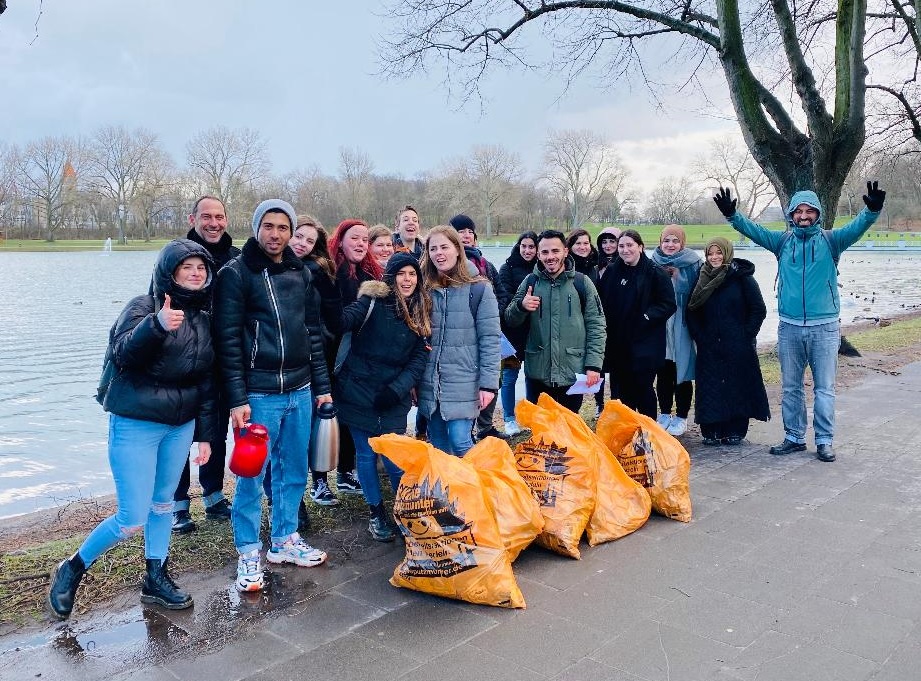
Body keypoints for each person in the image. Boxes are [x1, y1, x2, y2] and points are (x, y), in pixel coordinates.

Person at [48, 239, 218, 619]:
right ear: (169, 272)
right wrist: (155, 327)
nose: (195, 273)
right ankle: (72, 567)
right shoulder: (143, 307)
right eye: (186, 267)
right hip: (136, 425)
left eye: (201, 268)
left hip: (180, 427)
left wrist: (205, 433)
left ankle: (155, 579)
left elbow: (207, 381)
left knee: (163, 505)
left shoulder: (204, 320)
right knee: (131, 518)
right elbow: (122, 354)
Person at [715, 182, 886, 462]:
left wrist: (873, 210)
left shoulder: (832, 241)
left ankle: (824, 440)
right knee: (791, 387)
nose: (804, 216)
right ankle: (794, 437)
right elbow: (753, 231)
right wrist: (733, 216)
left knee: (824, 388)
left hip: (825, 328)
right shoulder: (782, 242)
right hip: (790, 328)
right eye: (798, 211)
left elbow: (858, 227)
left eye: (809, 211)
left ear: (817, 214)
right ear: (791, 215)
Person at [214, 199, 331, 593]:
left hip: (299, 389)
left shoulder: (301, 273)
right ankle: (248, 552)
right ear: (257, 228)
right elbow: (228, 340)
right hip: (258, 392)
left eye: (284, 227)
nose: (277, 234)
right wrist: (236, 398)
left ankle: (284, 539)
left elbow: (312, 333)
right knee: (251, 476)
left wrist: (322, 387)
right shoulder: (236, 273)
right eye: (269, 226)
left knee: (294, 469)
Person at [334, 252, 431, 541]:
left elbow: (419, 358)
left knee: (394, 458)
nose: (407, 279)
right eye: (401, 274)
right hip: (357, 390)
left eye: (412, 274)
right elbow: (342, 320)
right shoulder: (373, 302)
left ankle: (406, 510)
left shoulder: (422, 309)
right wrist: (330, 294)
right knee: (365, 454)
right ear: (391, 277)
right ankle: (376, 513)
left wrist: (397, 389)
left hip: (392, 395)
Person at [171, 196, 239, 535]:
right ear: (193, 217)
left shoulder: (236, 258)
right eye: (206, 217)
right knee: (181, 431)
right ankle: (178, 504)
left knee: (215, 431)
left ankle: (213, 495)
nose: (214, 223)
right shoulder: (178, 254)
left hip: (223, 358)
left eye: (220, 216)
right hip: (184, 360)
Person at [277, 216, 343, 511]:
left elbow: (331, 315)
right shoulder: (273, 269)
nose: (302, 244)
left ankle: (319, 481)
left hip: (316, 354)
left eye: (309, 241)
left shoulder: (319, 273)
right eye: (299, 236)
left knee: (316, 422)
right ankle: (292, 498)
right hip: (282, 361)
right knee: (288, 434)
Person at [418, 225, 500, 457]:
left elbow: (490, 339)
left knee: (461, 441)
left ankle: (477, 490)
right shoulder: (423, 288)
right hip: (431, 380)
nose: (439, 253)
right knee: (439, 445)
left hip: (465, 379)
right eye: (433, 248)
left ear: (457, 249)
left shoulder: (479, 288)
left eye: (444, 246)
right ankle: (446, 491)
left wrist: (488, 384)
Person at [505, 229, 607, 413]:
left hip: (572, 370)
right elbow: (510, 320)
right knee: (542, 431)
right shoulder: (530, 282)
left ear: (565, 251)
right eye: (545, 252)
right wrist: (521, 306)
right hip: (538, 371)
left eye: (555, 251)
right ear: (538, 254)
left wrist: (593, 365)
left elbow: (597, 325)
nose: (550, 257)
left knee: (569, 427)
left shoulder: (581, 283)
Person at [687, 237, 770, 445]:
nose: (714, 257)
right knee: (710, 386)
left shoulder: (742, 278)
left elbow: (758, 309)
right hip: (709, 344)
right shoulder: (701, 277)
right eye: (710, 254)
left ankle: (735, 430)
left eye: (718, 253)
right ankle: (711, 429)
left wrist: (746, 334)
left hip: (738, 344)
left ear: (726, 253)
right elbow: (692, 311)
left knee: (737, 385)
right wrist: (700, 337)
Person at [327, 219, 386, 496]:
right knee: (327, 418)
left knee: (351, 415)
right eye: (355, 238)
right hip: (330, 355)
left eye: (365, 239)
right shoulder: (331, 273)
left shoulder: (370, 275)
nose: (361, 244)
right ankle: (318, 479)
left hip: (357, 357)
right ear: (340, 241)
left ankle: (345, 472)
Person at [596, 229, 677, 419]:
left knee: (643, 390)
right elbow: (600, 298)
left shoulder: (654, 272)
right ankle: (625, 433)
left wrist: (647, 316)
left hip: (645, 344)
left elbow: (668, 304)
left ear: (640, 247)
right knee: (619, 393)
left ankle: (648, 432)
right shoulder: (613, 270)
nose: (625, 250)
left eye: (630, 245)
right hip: (618, 344)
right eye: (621, 246)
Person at [449, 214, 508, 440]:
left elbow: (501, 294)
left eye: (469, 232)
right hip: (462, 335)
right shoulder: (448, 265)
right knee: (468, 385)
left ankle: (485, 427)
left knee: (492, 380)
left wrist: (491, 313)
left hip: (489, 331)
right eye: (460, 231)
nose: (466, 236)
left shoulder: (487, 265)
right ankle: (468, 430)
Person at [650, 224, 702, 437]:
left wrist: (678, 279)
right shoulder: (652, 263)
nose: (670, 245)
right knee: (663, 371)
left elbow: (699, 293)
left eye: (675, 241)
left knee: (683, 372)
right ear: (660, 242)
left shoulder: (693, 263)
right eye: (666, 241)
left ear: (682, 243)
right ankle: (663, 414)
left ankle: (681, 416)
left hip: (683, 323)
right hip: (661, 325)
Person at [496, 231, 538, 435]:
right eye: (524, 246)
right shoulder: (507, 268)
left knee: (532, 376)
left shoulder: (541, 270)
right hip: (511, 333)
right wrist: (521, 303)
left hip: (533, 333)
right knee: (510, 376)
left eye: (532, 246)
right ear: (518, 247)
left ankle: (531, 416)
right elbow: (504, 295)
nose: (528, 250)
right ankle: (509, 419)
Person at [592, 226, 622, 416]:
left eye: (612, 241)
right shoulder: (595, 265)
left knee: (617, 365)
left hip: (617, 319)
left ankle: (615, 402)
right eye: (604, 242)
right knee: (598, 365)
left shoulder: (624, 263)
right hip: (597, 319)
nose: (608, 245)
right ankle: (598, 403)